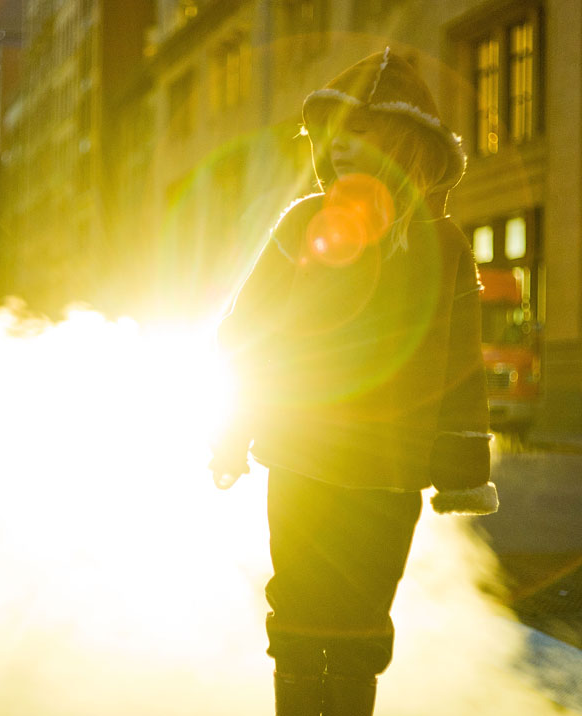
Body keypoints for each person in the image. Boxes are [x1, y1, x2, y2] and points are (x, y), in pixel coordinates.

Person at [210, 47, 499, 716]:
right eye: (334, 136)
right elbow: (246, 334)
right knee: (300, 614)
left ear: (402, 142)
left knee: (363, 622)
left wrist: (460, 469)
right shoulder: (300, 223)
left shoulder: (445, 243)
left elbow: (461, 366)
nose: (340, 150)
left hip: (389, 473)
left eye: (361, 136)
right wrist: (230, 433)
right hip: (303, 459)